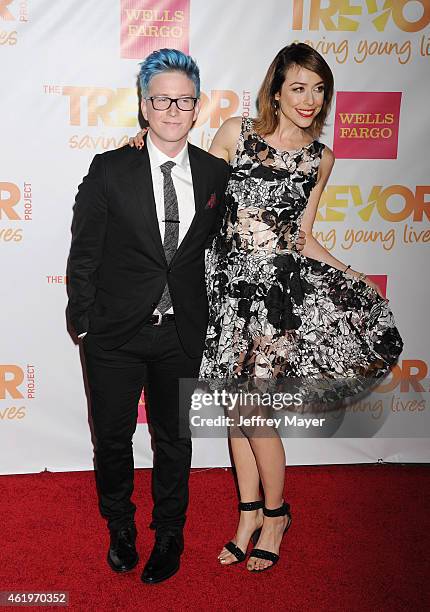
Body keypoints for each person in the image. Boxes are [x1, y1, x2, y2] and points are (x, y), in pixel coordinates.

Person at [129, 43, 403, 573]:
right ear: (275, 90)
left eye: (319, 89)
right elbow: (194, 191)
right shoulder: (237, 134)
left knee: (257, 414)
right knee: (236, 411)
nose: (310, 99)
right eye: (298, 87)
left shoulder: (321, 158)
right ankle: (249, 514)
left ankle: (277, 515)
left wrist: (353, 276)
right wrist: (141, 147)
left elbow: (301, 236)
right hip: (226, 292)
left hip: (276, 301)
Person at [67, 49, 230, 584]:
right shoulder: (111, 168)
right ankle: (119, 524)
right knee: (112, 438)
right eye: (162, 99)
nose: (173, 110)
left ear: (197, 106)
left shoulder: (215, 175)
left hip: (179, 334)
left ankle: (170, 531)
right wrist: (83, 321)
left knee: (173, 439)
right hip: (114, 333)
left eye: (184, 100)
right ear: (144, 106)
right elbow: (84, 250)